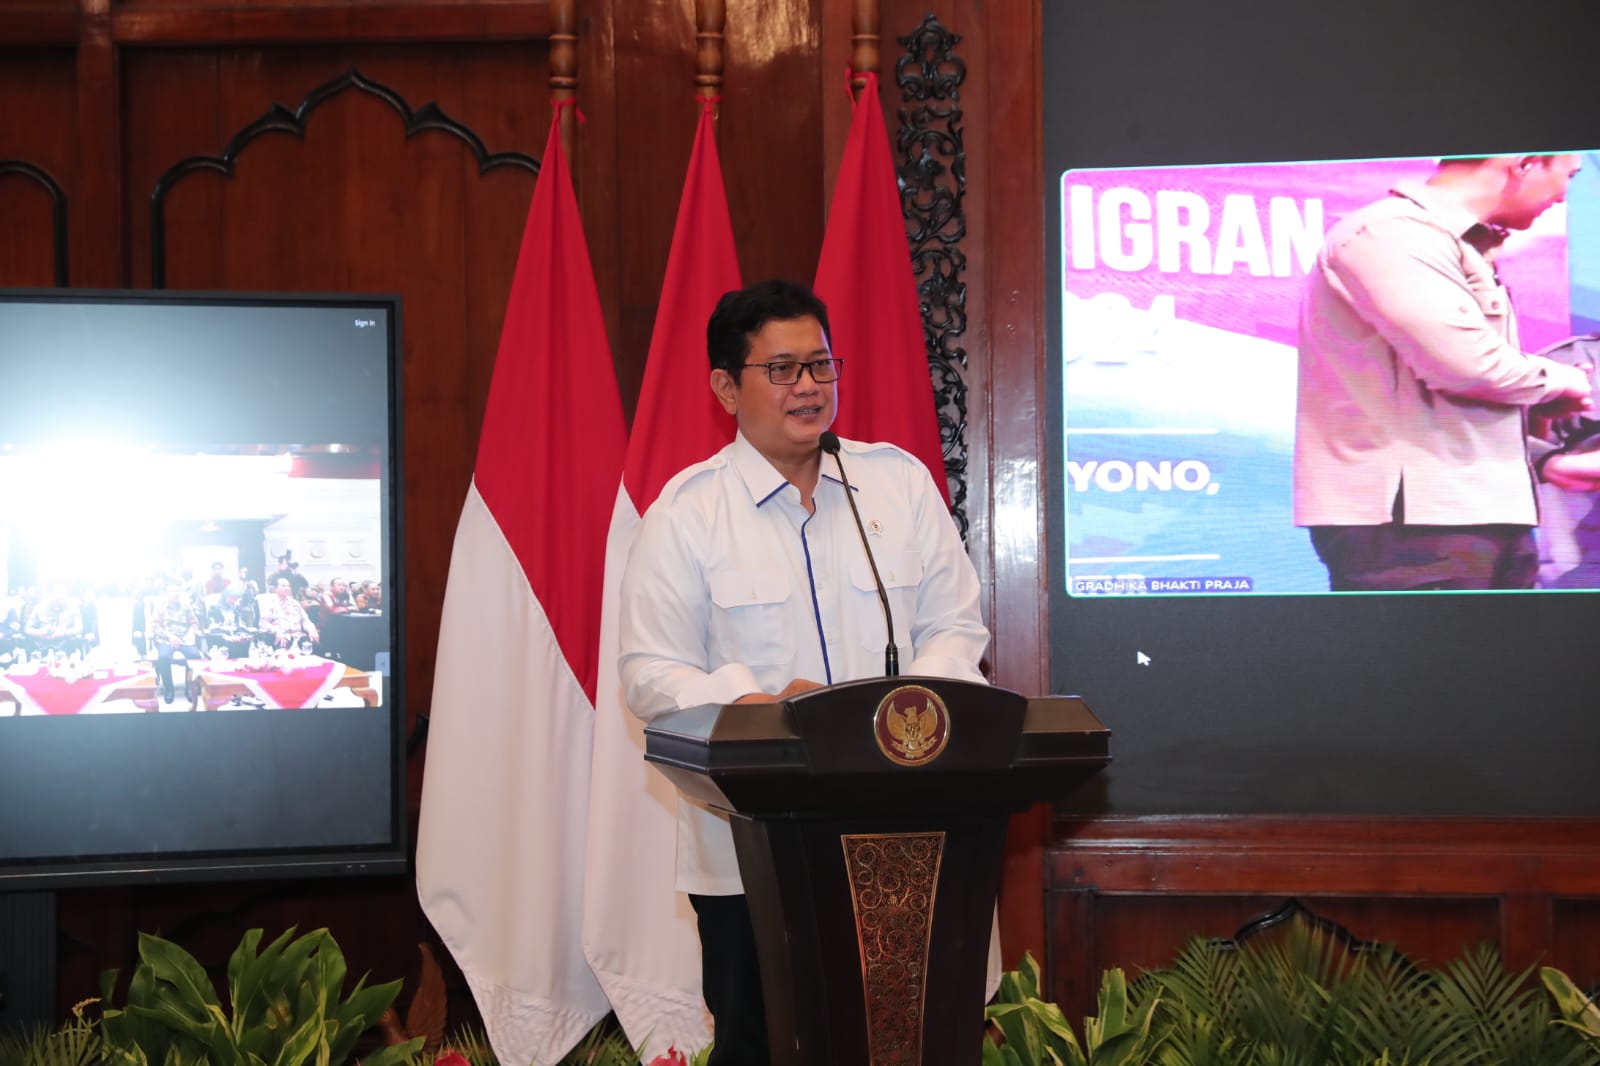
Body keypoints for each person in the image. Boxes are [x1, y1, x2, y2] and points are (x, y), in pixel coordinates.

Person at [617, 279, 989, 1065]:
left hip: (905, 841)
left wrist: (912, 711)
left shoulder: (898, 485)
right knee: (765, 1048)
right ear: (727, 388)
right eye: (781, 369)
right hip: (751, 855)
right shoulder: (687, 513)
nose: (810, 386)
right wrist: (754, 705)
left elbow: (955, 628)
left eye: (821, 365)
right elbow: (650, 672)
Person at [1294, 153, 1592, 590]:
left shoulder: (1457, 243)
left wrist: (1537, 410)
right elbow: (1469, 366)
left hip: (1480, 510)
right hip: (1414, 525)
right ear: (1525, 163)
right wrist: (1560, 380)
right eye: (1569, 175)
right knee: (1429, 638)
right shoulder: (1394, 233)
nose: (1564, 196)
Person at [150, 583, 202, 705]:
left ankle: (190, 687)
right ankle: (169, 688)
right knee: (163, 656)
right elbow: (154, 626)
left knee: (195, 656)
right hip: (166, 639)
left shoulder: (186, 606)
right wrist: (170, 636)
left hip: (184, 639)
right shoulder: (160, 607)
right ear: (167, 594)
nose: (176, 594)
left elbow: (194, 623)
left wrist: (190, 633)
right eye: (173, 591)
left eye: (178, 591)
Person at [260, 577, 319, 648]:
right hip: (281, 637)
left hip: (298, 636)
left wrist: (311, 629)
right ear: (275, 589)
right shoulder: (270, 604)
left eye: (288, 586)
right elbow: (263, 623)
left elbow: (305, 620)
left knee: (317, 646)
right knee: (282, 650)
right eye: (283, 586)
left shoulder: (295, 603)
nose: (287, 588)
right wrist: (277, 631)